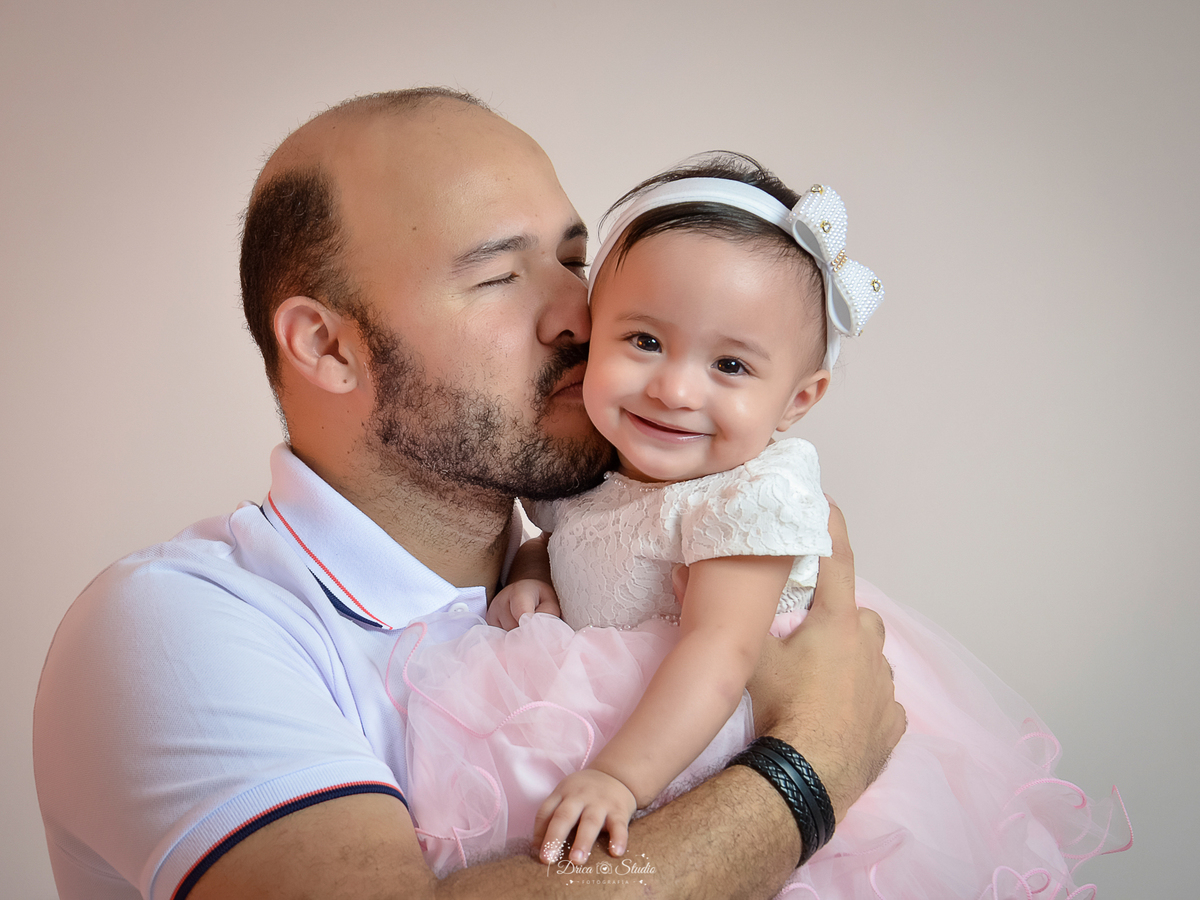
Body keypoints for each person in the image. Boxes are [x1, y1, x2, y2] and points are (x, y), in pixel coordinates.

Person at [32, 88, 904, 900]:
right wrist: (808, 767)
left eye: (574, 260)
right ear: (328, 347)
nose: (580, 314)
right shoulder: (176, 624)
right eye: (499, 276)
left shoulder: (598, 571)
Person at [395, 155, 1133, 898]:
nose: (675, 389)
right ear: (594, 336)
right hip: (605, 717)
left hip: (720, 734)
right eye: (644, 341)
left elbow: (720, 650)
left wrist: (620, 777)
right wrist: (533, 575)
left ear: (798, 400)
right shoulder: (591, 465)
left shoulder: (751, 496)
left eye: (730, 366)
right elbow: (557, 538)